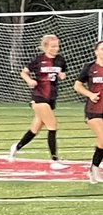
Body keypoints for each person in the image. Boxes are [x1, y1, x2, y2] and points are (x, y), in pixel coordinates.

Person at [8, 34, 68, 169]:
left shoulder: (60, 60)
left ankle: (16, 147)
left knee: (34, 129)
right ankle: (54, 160)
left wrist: (62, 75)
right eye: (53, 46)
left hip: (51, 98)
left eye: (57, 46)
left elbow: (62, 73)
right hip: (39, 97)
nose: (56, 48)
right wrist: (29, 80)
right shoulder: (38, 60)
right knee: (52, 126)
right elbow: (24, 72)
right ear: (45, 46)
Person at [73, 41, 103, 183]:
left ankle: (93, 169)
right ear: (96, 51)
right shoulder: (90, 68)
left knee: (101, 142)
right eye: (102, 49)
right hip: (94, 110)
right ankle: (94, 170)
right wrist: (90, 94)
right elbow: (77, 86)